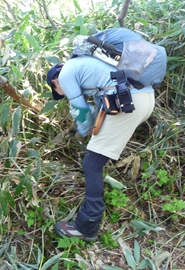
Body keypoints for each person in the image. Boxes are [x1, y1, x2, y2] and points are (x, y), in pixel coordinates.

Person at [46, 55, 156, 241]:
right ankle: (89, 221)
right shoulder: (86, 67)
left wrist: (81, 128)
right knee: (94, 160)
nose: (61, 93)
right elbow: (99, 109)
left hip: (130, 100)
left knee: (91, 164)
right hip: (144, 98)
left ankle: (86, 226)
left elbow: (82, 112)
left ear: (55, 80)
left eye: (57, 90)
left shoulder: (65, 75)